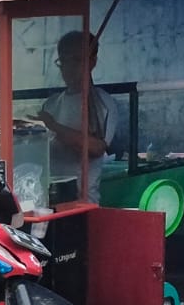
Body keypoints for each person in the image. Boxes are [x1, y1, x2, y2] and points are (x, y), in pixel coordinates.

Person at [36, 31, 126, 204]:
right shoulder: (51, 104)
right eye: (64, 60)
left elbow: (96, 148)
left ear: (92, 62)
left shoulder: (102, 104)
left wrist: (54, 126)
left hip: (81, 203)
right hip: (49, 200)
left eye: (76, 60)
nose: (68, 67)